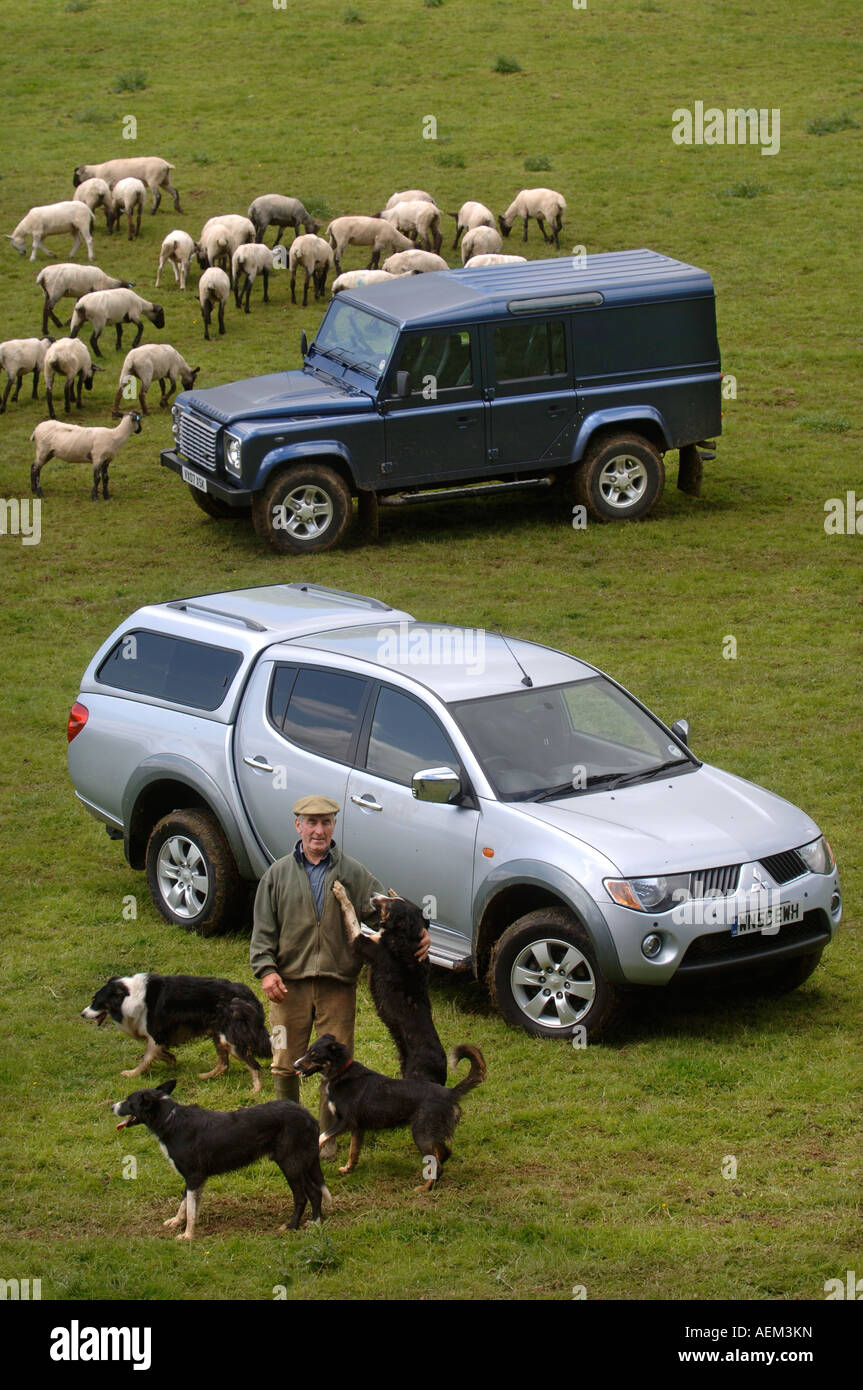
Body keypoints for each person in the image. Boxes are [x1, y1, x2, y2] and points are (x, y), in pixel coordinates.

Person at [250, 795, 429, 1142]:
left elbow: (390, 910)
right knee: (284, 1060)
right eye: (311, 823)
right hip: (289, 984)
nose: (319, 831)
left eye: (326, 822)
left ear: (334, 826)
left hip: (338, 984)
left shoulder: (353, 872)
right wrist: (266, 971)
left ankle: (327, 1135)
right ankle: (287, 1134)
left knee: (337, 1065)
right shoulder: (276, 875)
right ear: (297, 825)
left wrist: (422, 933)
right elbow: (262, 931)